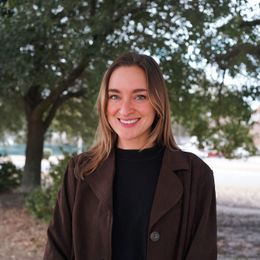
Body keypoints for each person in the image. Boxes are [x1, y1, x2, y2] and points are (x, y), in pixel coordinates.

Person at [44, 52, 217, 260]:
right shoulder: (79, 171)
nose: (125, 109)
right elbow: (57, 250)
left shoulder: (195, 175)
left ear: (157, 102)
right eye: (115, 96)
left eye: (140, 96)